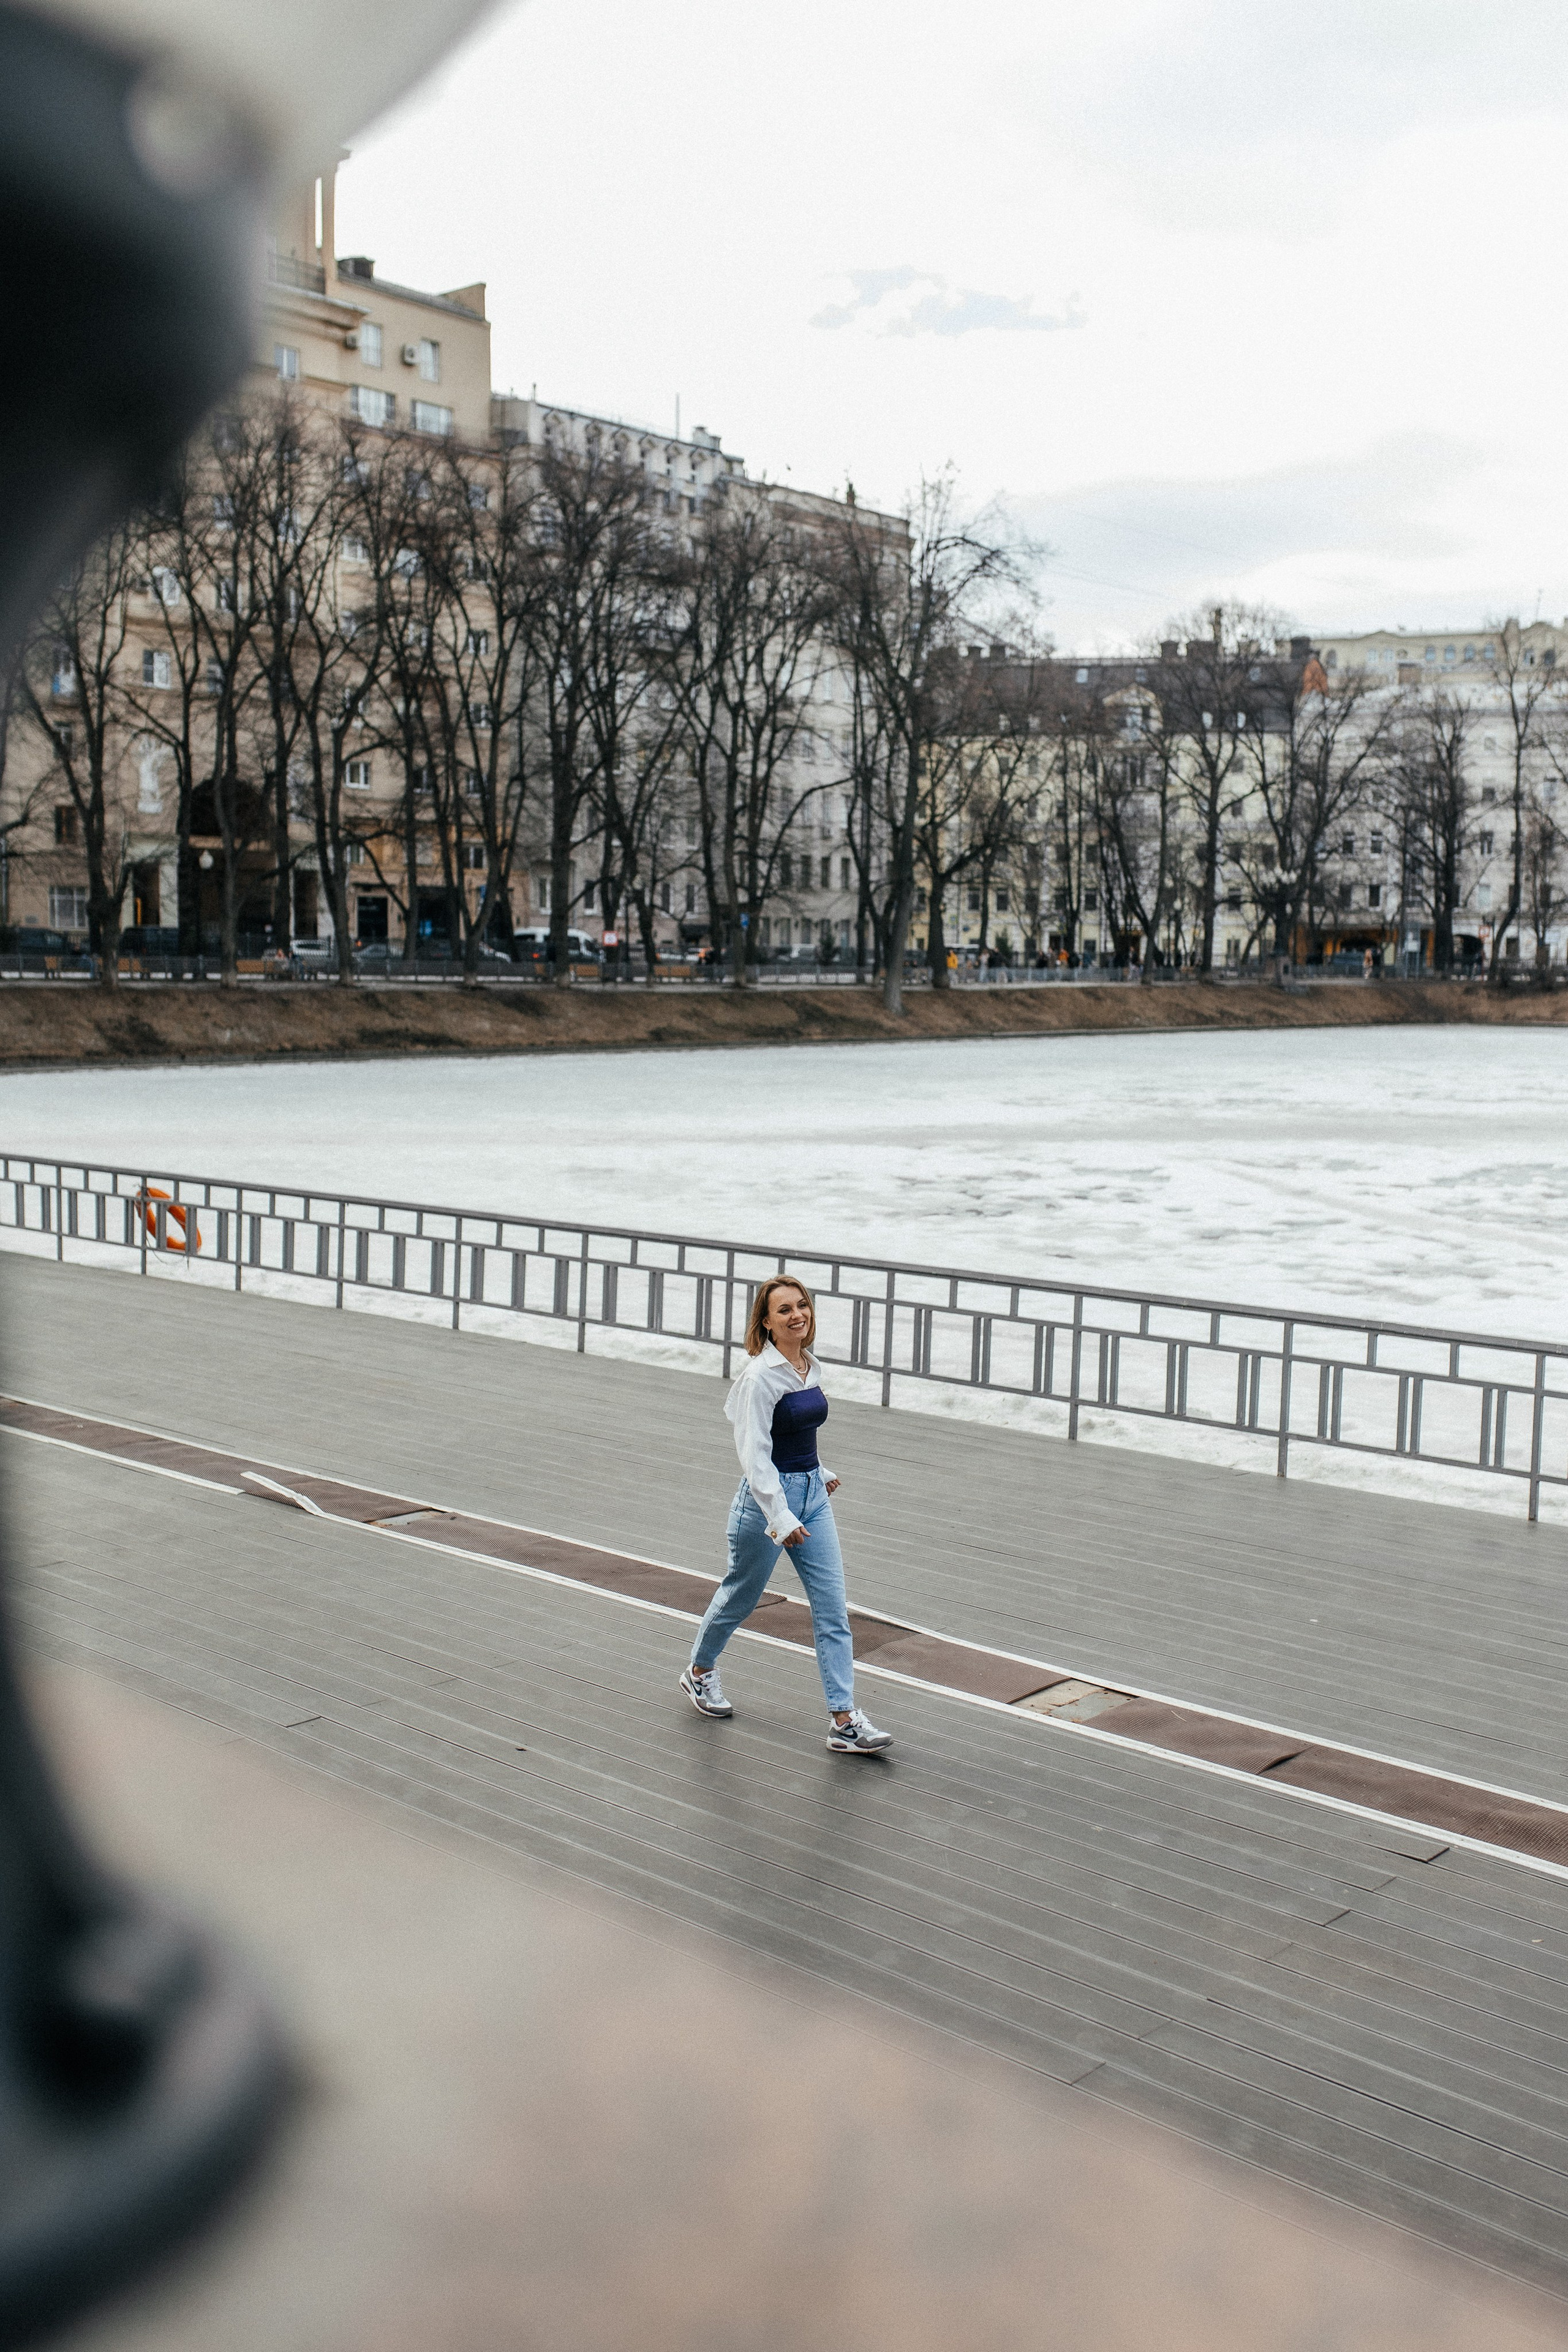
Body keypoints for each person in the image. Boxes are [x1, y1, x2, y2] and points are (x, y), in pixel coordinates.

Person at [681, 1275, 893, 1754]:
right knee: (740, 1595)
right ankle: (699, 1672)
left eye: (803, 1306)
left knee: (832, 1609)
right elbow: (755, 1454)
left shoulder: (808, 1366)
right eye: (784, 1310)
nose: (798, 1315)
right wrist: (780, 1516)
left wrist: (820, 1468)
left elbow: (797, 1434)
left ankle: (844, 1721)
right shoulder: (760, 1377)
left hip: (813, 1498)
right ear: (766, 1322)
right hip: (764, 1507)